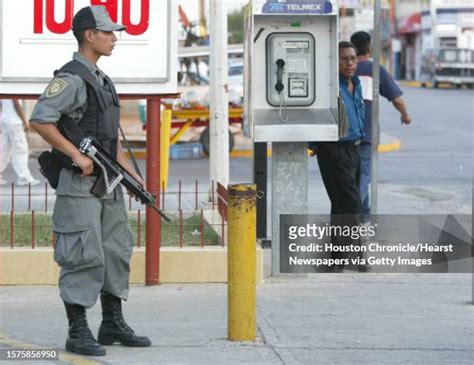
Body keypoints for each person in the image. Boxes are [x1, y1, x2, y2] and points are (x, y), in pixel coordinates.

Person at [30, 6, 150, 357]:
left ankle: (111, 322)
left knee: (115, 250)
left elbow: (110, 137)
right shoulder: (70, 79)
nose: (115, 38)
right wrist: (76, 155)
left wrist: (132, 176)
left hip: (108, 184)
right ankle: (77, 330)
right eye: (109, 32)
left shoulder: (101, 79)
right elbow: (41, 119)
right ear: (89, 35)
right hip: (79, 183)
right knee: (83, 252)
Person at [309, 41, 365, 272]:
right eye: (343, 59)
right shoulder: (330, 87)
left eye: (352, 58)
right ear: (334, 62)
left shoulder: (356, 84)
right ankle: (355, 256)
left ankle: (336, 259)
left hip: (353, 148)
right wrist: (312, 144)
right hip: (333, 148)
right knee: (351, 203)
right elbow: (314, 112)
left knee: (342, 204)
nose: (349, 63)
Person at [350, 31, 411, 222]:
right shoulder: (375, 70)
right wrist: (405, 116)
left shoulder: (345, 68)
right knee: (363, 176)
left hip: (346, 133)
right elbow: (398, 100)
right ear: (370, 48)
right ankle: (352, 214)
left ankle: (364, 215)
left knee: (354, 176)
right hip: (367, 133)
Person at [0, 99, 40, 186]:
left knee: (3, 151)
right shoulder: (13, 88)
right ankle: (24, 177)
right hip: (14, 122)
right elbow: (16, 104)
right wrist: (25, 122)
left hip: (5, 120)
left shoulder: (4, 86)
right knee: (21, 150)